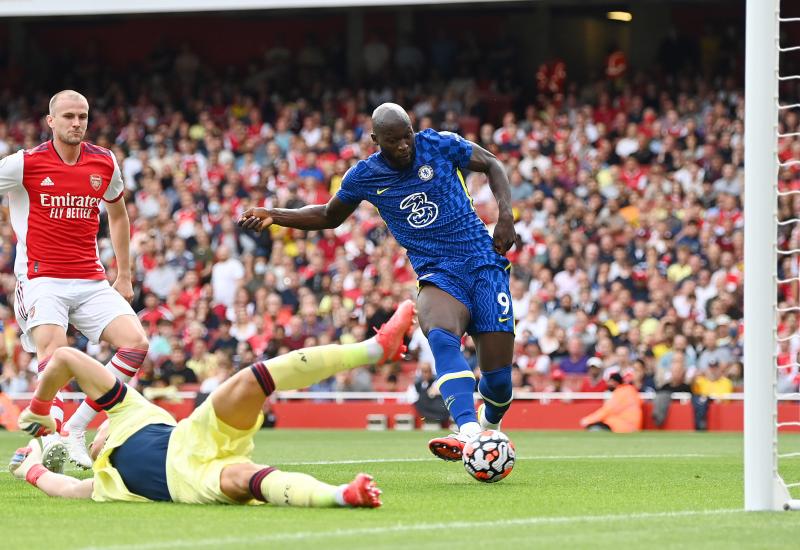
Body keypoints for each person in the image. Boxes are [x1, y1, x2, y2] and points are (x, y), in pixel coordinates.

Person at [240, 103, 518, 464]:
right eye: (393, 141)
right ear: (375, 140)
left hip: (483, 263)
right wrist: (274, 215)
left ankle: (488, 422)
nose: (404, 145)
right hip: (437, 271)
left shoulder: (439, 144)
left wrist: (506, 215)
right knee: (439, 333)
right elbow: (328, 215)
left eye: (407, 136)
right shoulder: (365, 176)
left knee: (498, 385)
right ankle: (468, 432)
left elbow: (492, 163)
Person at [11, 300, 415, 507]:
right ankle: (343, 495)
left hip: (195, 436)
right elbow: (64, 487)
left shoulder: (129, 410)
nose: (96, 438)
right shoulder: (104, 483)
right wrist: (31, 468)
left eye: (96, 431)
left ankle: (372, 348)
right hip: (190, 483)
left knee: (248, 381)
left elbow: (66, 359)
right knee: (247, 480)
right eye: (94, 438)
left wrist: (41, 407)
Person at [0, 90, 149, 469]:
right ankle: (49, 437)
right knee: (54, 353)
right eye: (68, 116)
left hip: (90, 278)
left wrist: (125, 274)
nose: (76, 123)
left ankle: (76, 429)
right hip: (41, 278)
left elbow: (118, 215)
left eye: (82, 116)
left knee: (135, 343)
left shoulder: (104, 161)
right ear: (50, 121)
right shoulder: (24, 164)